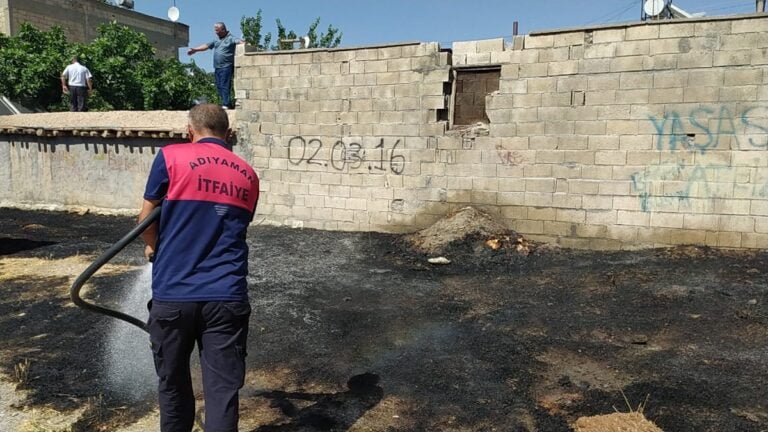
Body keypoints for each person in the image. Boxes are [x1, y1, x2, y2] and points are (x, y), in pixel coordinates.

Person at [138, 104, 260, 432]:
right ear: (227, 133)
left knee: (173, 385)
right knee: (222, 392)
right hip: (226, 297)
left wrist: (154, 246)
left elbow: (145, 219)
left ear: (190, 130)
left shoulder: (171, 157)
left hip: (174, 295)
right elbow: (232, 225)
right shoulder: (248, 174)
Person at [187, 22, 241, 109]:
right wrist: (195, 50)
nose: (216, 33)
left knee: (224, 85)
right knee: (219, 85)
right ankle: (225, 102)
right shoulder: (216, 40)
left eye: (217, 31)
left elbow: (240, 42)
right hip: (217, 67)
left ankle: (226, 104)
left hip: (226, 66)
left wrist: (246, 43)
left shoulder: (231, 38)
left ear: (223, 30)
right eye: (215, 31)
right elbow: (206, 45)